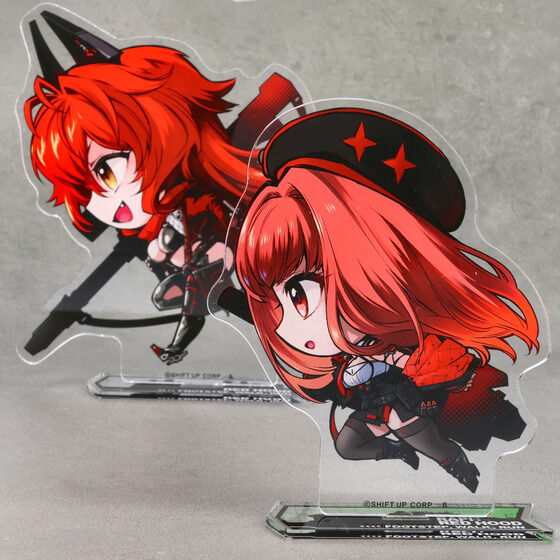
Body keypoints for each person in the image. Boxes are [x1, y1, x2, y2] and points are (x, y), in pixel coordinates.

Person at [235, 108, 539, 492]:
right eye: (279, 297)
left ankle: (455, 463)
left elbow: (437, 367)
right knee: (347, 446)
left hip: (406, 402)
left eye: (299, 291)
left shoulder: (405, 347)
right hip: (372, 405)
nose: (284, 326)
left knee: (423, 437)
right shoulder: (346, 361)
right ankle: (400, 453)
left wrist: (414, 370)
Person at [24, 11, 267, 364]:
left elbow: (213, 267)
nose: (103, 201)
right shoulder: (148, 225)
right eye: (85, 191)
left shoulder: (200, 198)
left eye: (106, 172)